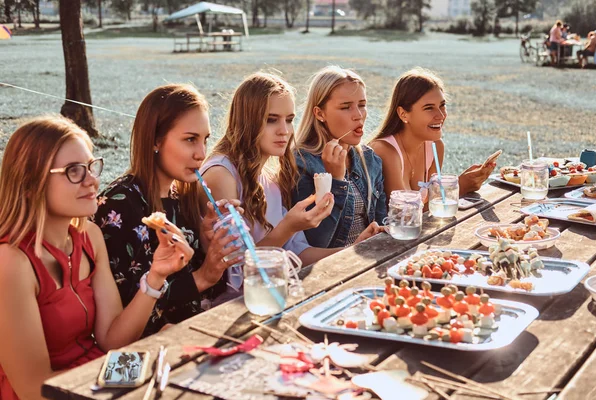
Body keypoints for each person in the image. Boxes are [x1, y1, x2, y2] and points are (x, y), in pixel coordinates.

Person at [0, 115, 193, 400]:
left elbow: (112, 339)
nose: (93, 181)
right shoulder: (11, 262)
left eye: (91, 167)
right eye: (74, 171)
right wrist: (140, 367)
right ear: (31, 184)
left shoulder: (88, 236)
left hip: (97, 379)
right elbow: (35, 389)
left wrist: (156, 276)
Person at [94, 84, 241, 337]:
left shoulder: (182, 194)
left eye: (205, 140)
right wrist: (203, 277)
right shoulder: (118, 205)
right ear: (155, 140)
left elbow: (199, 285)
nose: (201, 154)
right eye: (190, 140)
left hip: (199, 331)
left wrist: (208, 244)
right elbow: (132, 316)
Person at [200, 73, 375, 266]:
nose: (284, 130)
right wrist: (288, 227)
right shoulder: (221, 174)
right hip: (239, 296)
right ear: (246, 120)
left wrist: (355, 249)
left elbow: (298, 253)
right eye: (271, 119)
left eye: (290, 119)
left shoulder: (270, 179)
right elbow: (234, 268)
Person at [369, 67, 495, 203]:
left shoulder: (435, 146)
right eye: (429, 108)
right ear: (403, 114)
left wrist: (464, 182)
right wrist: (460, 186)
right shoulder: (385, 151)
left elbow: (432, 203)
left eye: (442, 105)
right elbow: (405, 213)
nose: (440, 115)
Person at [292, 66, 386, 248]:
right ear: (320, 113)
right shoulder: (301, 163)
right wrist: (335, 180)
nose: (358, 115)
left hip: (369, 261)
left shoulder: (370, 160)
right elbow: (316, 241)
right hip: (331, 268)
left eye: (362, 105)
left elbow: (383, 224)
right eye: (345, 107)